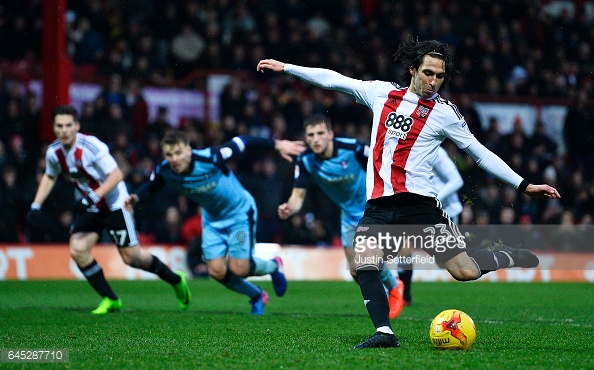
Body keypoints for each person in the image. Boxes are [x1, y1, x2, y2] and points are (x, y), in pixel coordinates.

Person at [257, 39, 560, 348]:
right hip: (379, 205)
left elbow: (480, 154)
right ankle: (384, 333)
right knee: (361, 263)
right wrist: (288, 68)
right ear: (413, 70)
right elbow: (334, 80)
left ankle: (506, 255)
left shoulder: (445, 113)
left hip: (420, 205)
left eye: (440, 76)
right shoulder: (381, 93)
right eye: (427, 73)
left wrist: (524, 185)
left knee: (463, 271)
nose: (433, 82)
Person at [26, 105, 191, 314]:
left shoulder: (91, 147)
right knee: (77, 249)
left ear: (77, 126)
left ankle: (176, 279)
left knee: (132, 258)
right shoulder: (54, 152)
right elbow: (50, 176)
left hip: (115, 204)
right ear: (54, 127)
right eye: (59, 126)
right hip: (91, 206)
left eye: (68, 125)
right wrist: (36, 205)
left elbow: (116, 175)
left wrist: (93, 196)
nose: (64, 130)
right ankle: (110, 299)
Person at [125, 130, 305, 315]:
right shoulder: (165, 171)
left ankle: (274, 266)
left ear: (189, 150)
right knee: (217, 272)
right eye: (169, 154)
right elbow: (152, 186)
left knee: (239, 268)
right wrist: (136, 197)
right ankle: (257, 295)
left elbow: (242, 141)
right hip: (212, 220)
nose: (174, 159)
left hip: (240, 214)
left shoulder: (210, 158)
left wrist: (277, 144)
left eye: (178, 153)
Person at [277, 114, 405, 319]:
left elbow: (382, 164)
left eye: (320, 133)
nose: (316, 139)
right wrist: (288, 209)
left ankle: (392, 289)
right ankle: (393, 286)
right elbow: (297, 197)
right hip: (348, 215)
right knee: (355, 271)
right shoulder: (306, 160)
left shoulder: (352, 148)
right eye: (311, 135)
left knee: (368, 259)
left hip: (373, 208)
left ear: (330, 135)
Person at [398, 145, 464, 306]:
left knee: (446, 264)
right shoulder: (403, 151)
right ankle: (404, 297)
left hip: (445, 211)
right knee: (404, 249)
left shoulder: (435, 151)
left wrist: (433, 201)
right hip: (419, 212)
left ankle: (490, 255)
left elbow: (457, 180)